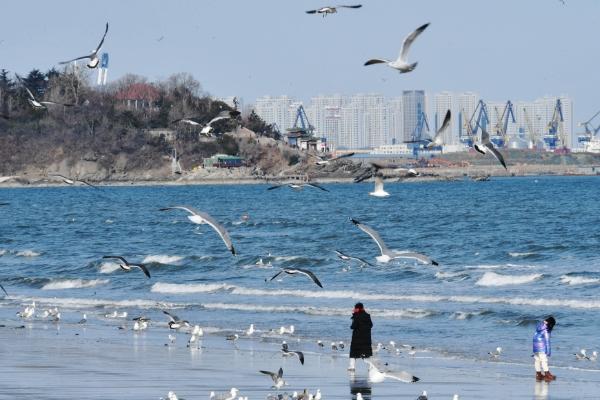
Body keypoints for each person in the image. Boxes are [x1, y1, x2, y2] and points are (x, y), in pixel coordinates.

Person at [348, 302, 373, 371]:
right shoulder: (367, 316)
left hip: (357, 338)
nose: (353, 309)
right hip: (366, 338)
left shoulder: (356, 316)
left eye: (355, 308)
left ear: (358, 309)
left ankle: (352, 367)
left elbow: (353, 326)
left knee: (353, 353)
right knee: (366, 353)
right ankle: (370, 367)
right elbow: (371, 325)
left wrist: (353, 319)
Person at [532, 316, 556, 382]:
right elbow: (547, 341)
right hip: (542, 346)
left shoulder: (540, 325)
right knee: (544, 360)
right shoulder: (546, 330)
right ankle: (547, 374)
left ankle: (538, 374)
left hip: (535, 345)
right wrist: (548, 351)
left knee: (537, 360)